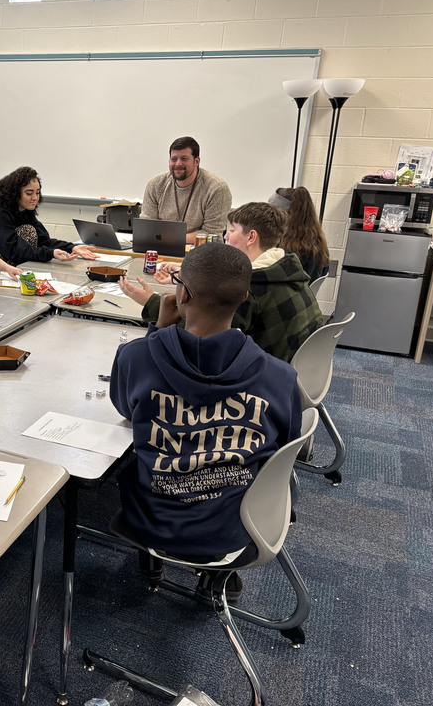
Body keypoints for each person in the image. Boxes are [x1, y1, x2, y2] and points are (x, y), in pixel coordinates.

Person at [110, 242, 302, 599]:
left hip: (155, 523)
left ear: (182, 294)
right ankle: (219, 574)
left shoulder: (136, 356)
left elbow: (124, 407)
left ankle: (151, 560)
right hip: (237, 527)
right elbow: (285, 448)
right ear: (244, 298)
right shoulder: (280, 376)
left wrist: (158, 332)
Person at [120, 201, 323, 362]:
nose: (226, 236)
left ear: (251, 237)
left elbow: (192, 335)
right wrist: (191, 278)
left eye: (232, 230)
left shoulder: (249, 289)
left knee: (133, 355)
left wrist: (150, 301)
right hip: (287, 372)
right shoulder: (284, 269)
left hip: (256, 381)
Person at [0, 166, 98, 264]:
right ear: (15, 193)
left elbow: (43, 240)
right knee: (28, 230)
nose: (35, 198)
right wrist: (50, 253)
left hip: (10, 261)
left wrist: (71, 247)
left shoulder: (25, 210)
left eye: (37, 192)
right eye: (29, 193)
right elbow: (12, 249)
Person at [142, 136, 232, 243]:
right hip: (162, 246)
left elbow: (212, 234)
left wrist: (171, 238)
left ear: (196, 161)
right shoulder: (155, 185)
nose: (178, 164)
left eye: (184, 159)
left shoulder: (217, 189)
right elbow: (146, 226)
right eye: (174, 159)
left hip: (201, 250)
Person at [270, 186, 330, 284]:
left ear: (285, 215)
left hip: (290, 292)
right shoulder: (318, 241)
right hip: (305, 292)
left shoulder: (289, 249)